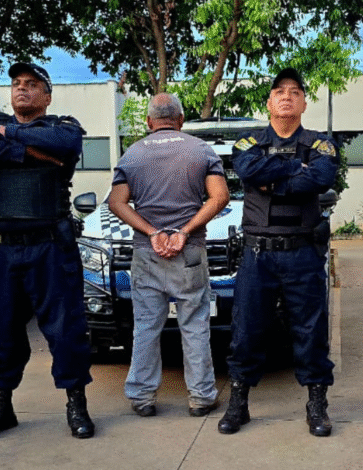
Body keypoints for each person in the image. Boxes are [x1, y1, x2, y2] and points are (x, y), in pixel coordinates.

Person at [0, 63, 94, 440]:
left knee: (66, 331)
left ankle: (77, 405)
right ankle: (1, 407)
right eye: (16, 83)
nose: (21, 89)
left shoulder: (63, 126)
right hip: (0, 250)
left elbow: (66, 146)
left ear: (47, 97)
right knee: (1, 332)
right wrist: (30, 152)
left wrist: (10, 135)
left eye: (31, 84)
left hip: (51, 248)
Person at [219, 68, 339, 437]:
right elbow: (248, 169)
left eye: (295, 92)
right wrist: (293, 170)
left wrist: (272, 181)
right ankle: (239, 403)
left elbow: (320, 178)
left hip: (302, 253)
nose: (287, 97)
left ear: (304, 103)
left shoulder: (320, 144)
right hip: (258, 254)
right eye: (279, 92)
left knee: (311, 330)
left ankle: (317, 404)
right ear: (269, 102)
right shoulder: (248, 142)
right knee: (246, 330)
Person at [108, 93, 229, 418]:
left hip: (147, 253)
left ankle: (142, 397)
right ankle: (201, 397)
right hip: (189, 252)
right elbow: (219, 197)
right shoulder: (201, 150)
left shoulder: (132, 154)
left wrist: (152, 232)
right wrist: (184, 231)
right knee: (195, 326)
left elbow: (116, 202)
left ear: (149, 121)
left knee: (146, 326)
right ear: (181, 119)